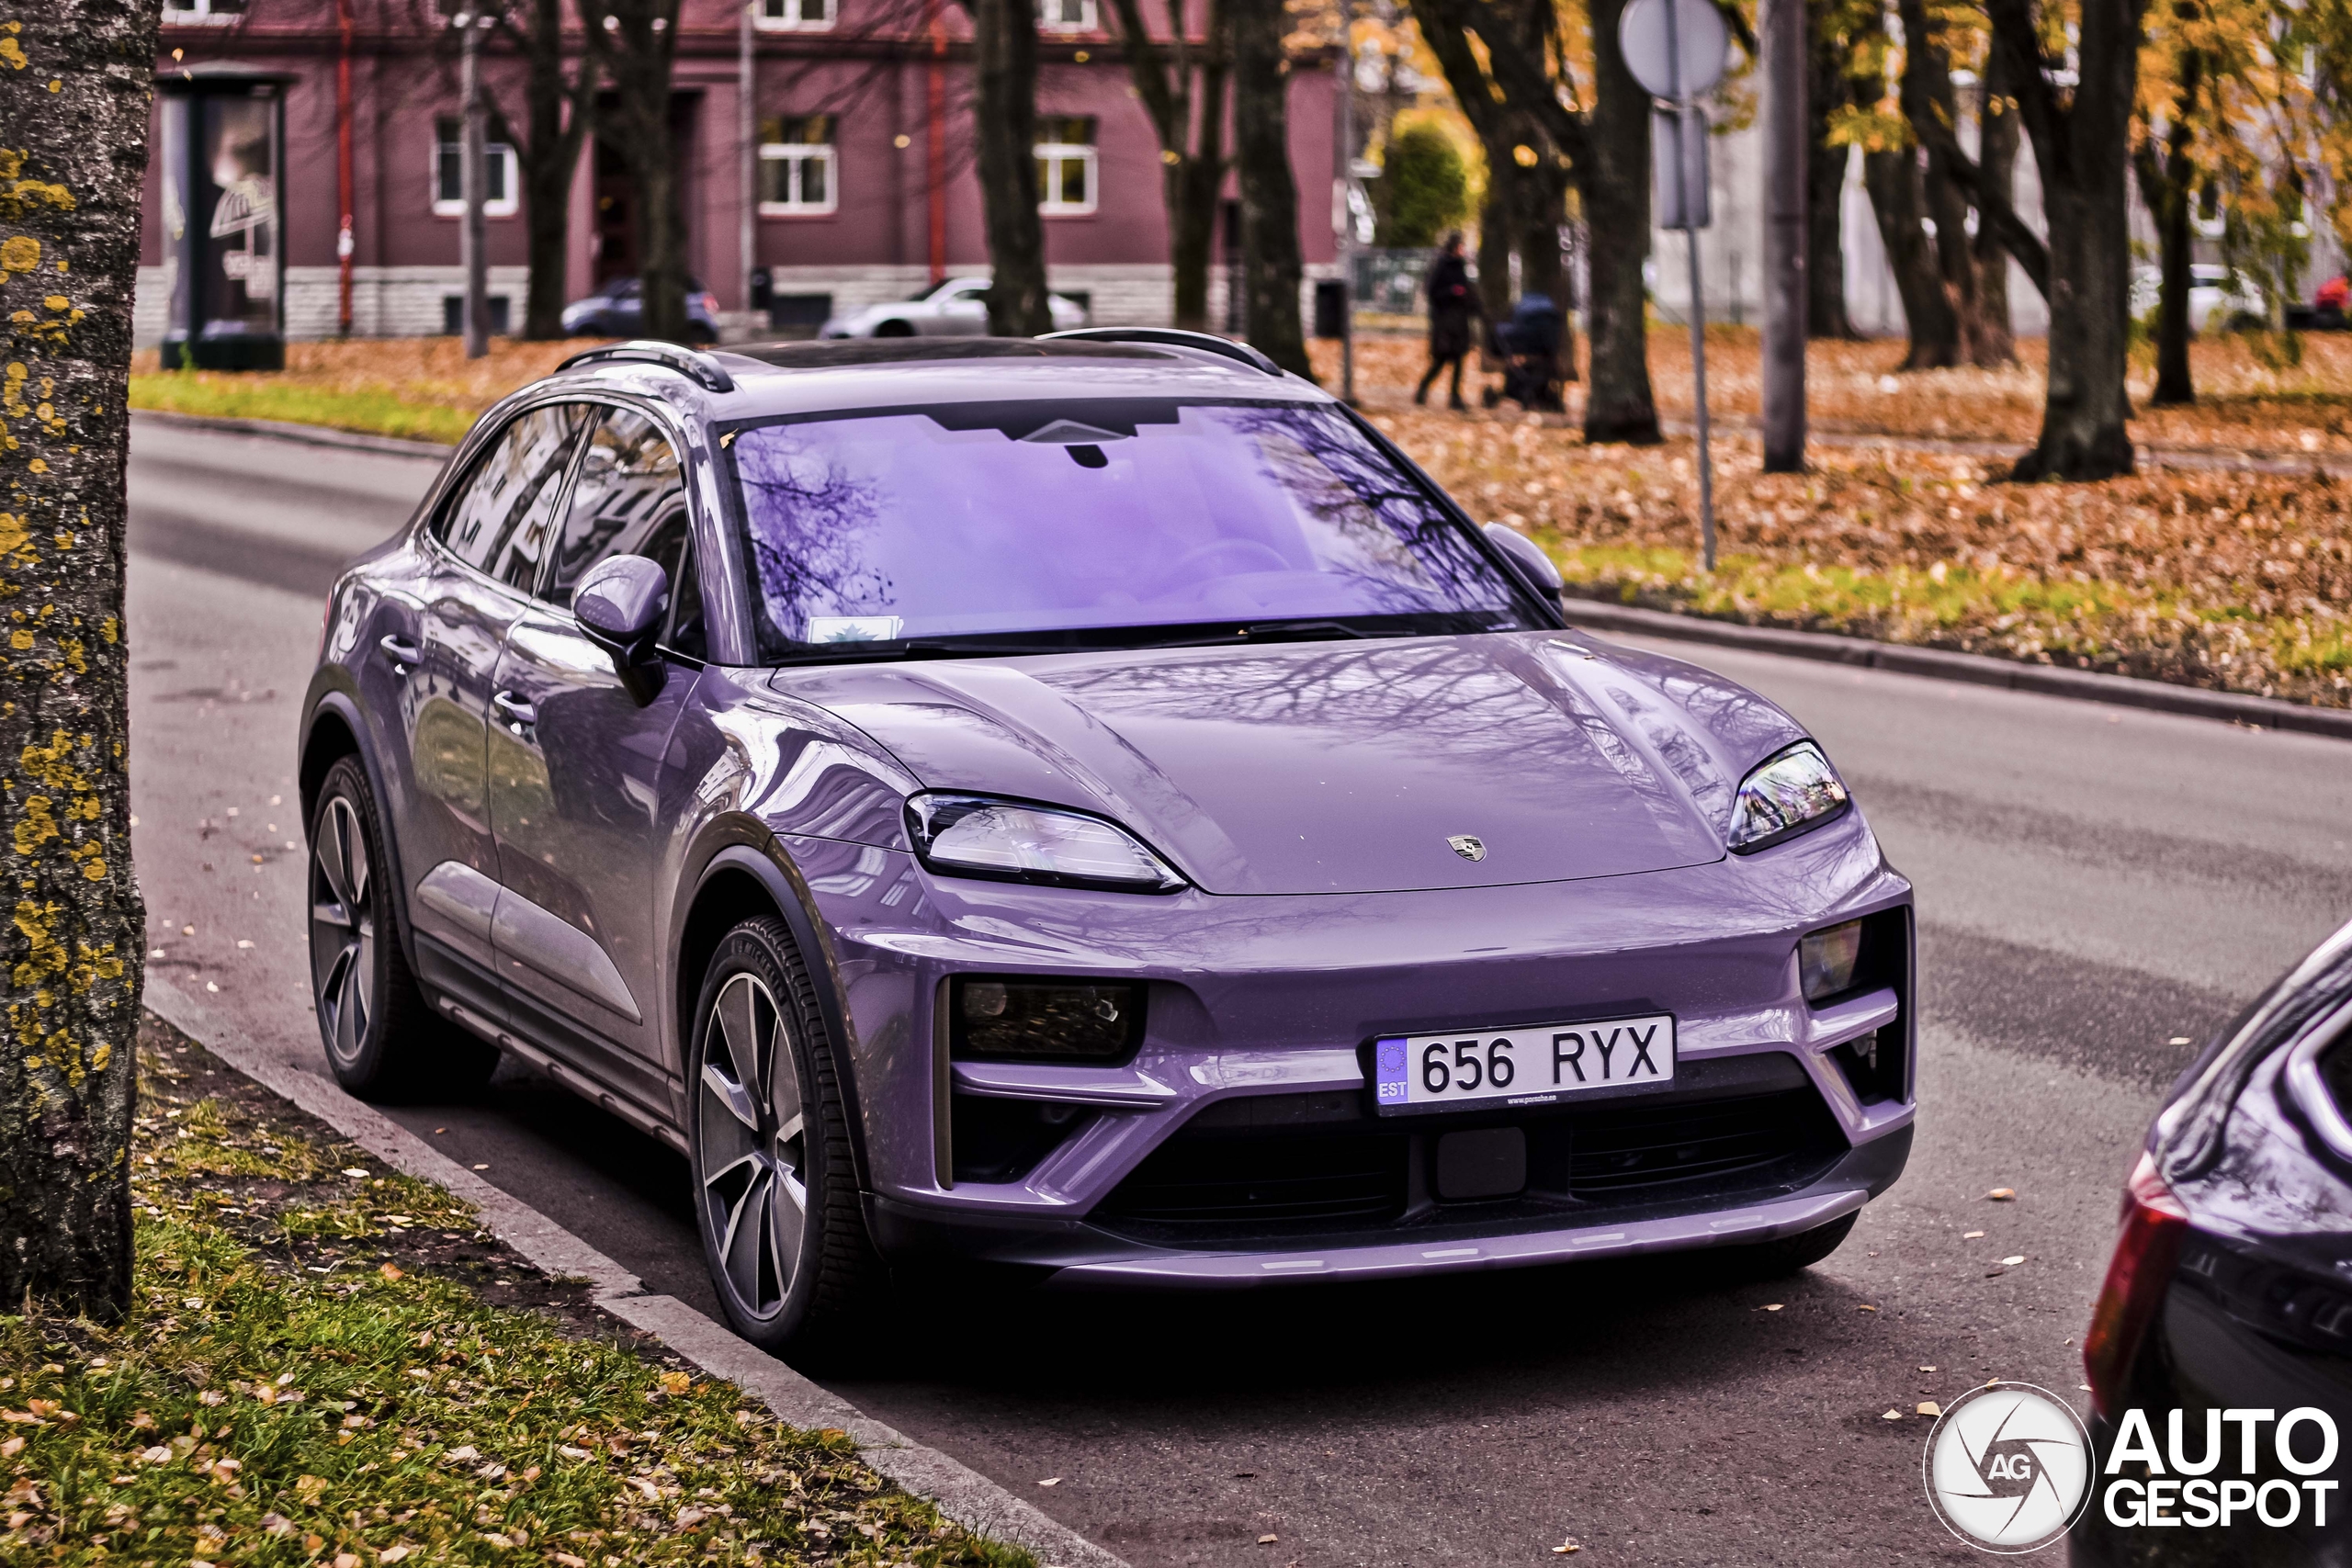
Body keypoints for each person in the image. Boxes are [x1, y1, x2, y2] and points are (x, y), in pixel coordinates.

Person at [1415, 232, 1478, 411]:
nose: (1463, 250)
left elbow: (1467, 291)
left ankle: (1455, 396)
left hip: (1459, 322)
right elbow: (1433, 293)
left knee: (1459, 360)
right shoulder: (1441, 266)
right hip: (1444, 322)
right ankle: (1422, 388)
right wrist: (1451, 292)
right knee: (1441, 360)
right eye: (1460, 246)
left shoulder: (1461, 266)